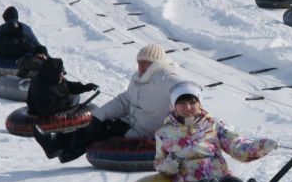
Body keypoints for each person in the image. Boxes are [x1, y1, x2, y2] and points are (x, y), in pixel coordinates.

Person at [32, 44, 189, 164]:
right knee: (96, 124)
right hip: (133, 123)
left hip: (147, 133)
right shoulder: (139, 78)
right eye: (139, 62)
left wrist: (187, 98)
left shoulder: (164, 75)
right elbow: (124, 100)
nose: (141, 67)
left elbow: (183, 85)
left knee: (104, 129)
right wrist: (98, 116)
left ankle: (58, 147)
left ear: (156, 64)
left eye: (145, 63)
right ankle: (60, 147)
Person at [155, 82, 278, 182]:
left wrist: (261, 146)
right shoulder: (164, 133)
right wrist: (167, 167)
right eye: (182, 103)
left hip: (221, 177)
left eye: (192, 102)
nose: (188, 107)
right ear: (174, 106)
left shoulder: (213, 126)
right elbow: (159, 162)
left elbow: (236, 146)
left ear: (199, 103)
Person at [27, 57, 97, 118]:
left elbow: (68, 85)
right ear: (55, 73)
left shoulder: (49, 78)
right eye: (62, 73)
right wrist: (67, 99)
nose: (63, 75)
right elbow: (46, 111)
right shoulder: (45, 88)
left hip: (48, 106)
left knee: (74, 95)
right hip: (41, 113)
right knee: (74, 97)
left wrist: (85, 87)